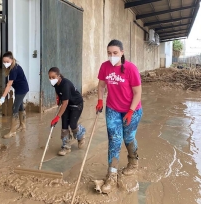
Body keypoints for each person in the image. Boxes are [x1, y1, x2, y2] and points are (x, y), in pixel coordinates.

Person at [96, 39, 143, 194]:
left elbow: (137, 93)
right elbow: (101, 85)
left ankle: (133, 163)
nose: (112, 56)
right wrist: (100, 100)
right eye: (109, 53)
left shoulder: (131, 69)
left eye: (115, 53)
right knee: (114, 140)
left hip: (132, 110)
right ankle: (112, 175)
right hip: (113, 109)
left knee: (128, 138)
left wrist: (130, 111)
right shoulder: (105, 67)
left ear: (122, 53)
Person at [48, 67, 86, 156]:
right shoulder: (55, 83)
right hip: (67, 104)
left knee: (73, 124)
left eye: (53, 77)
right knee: (64, 125)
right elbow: (57, 90)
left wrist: (57, 117)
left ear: (58, 76)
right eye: (49, 77)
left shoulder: (65, 84)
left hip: (77, 104)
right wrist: (58, 98)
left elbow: (65, 103)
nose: (51, 79)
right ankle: (66, 146)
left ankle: (81, 134)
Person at [0, 51, 29, 138]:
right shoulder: (12, 67)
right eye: (4, 62)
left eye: (7, 62)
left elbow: (9, 85)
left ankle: (12, 131)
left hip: (21, 90)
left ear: (12, 60)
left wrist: (3, 97)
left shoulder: (14, 69)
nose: (5, 63)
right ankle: (23, 126)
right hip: (19, 88)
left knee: (14, 108)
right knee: (20, 107)